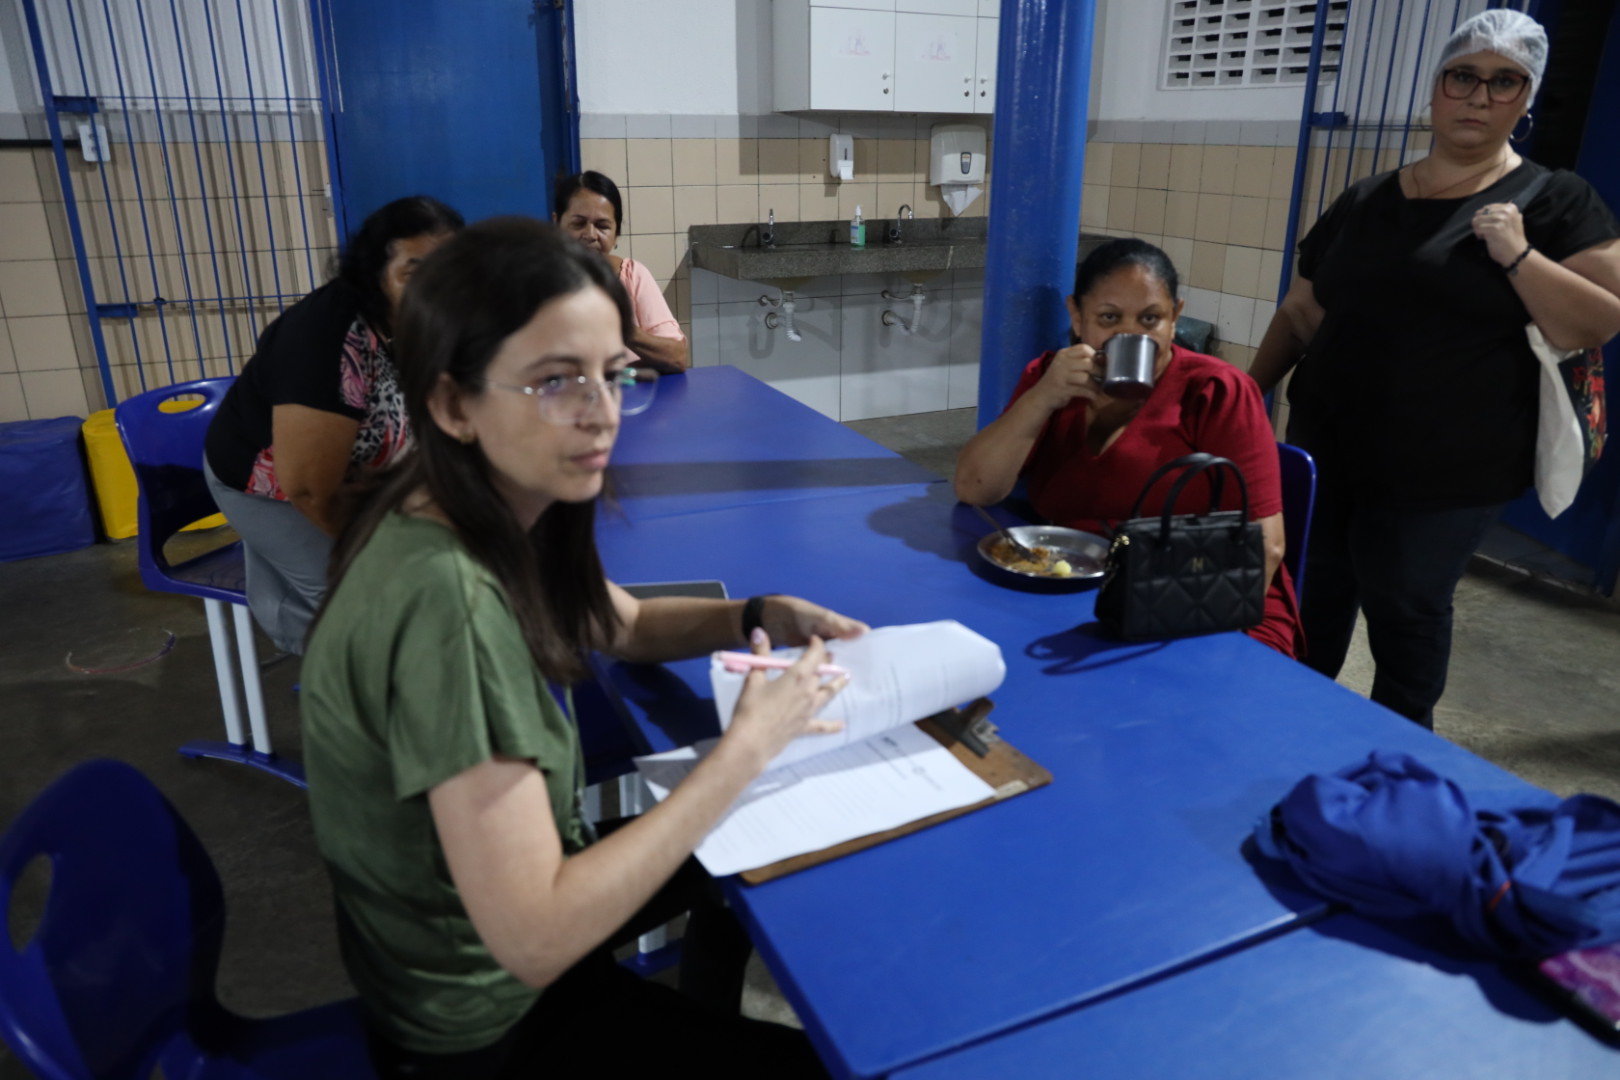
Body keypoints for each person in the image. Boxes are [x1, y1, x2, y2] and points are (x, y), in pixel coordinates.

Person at [300, 217, 864, 1078]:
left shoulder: (471, 499)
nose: (601, 413)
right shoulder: (450, 603)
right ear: (453, 404)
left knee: (744, 846)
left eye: (613, 375)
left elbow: (621, 625)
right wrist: (747, 749)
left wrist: (757, 612)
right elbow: (533, 938)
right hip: (483, 1020)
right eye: (556, 380)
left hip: (494, 920)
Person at [1248, 9, 1620, 728]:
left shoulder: (1554, 200)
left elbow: (1598, 321)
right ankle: (1294, 733)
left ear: (1527, 99)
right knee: (1310, 597)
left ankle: (1398, 757)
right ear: (1435, 88)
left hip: (1448, 473)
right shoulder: (1365, 198)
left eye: (1505, 81)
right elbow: (1300, 310)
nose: (1479, 96)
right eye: (1464, 76)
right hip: (1329, 449)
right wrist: (1241, 395)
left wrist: (1518, 254)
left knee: (1406, 610)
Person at [956, 238, 1303, 658]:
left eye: (1150, 319)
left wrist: (1148, 624)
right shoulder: (1053, 377)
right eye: (1109, 317)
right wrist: (1041, 398)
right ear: (1077, 317)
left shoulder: (1217, 391)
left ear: (1175, 318)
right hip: (1084, 597)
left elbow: (1266, 548)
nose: (1131, 335)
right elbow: (975, 488)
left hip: (1208, 610)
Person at [204, 195, 464, 654]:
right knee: (371, 608)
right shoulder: (327, 339)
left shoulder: (422, 317)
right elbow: (307, 490)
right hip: (271, 485)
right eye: (415, 271)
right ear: (375, 272)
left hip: (358, 474)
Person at [553, 170, 691, 373]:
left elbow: (677, 358)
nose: (590, 235)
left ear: (616, 232)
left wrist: (620, 326)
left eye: (602, 226)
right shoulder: (537, 284)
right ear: (557, 223)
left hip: (630, 391)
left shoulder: (632, 276)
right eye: (578, 223)